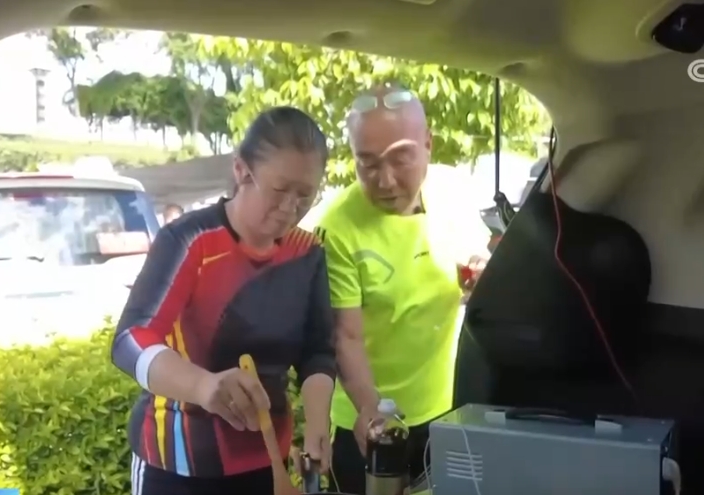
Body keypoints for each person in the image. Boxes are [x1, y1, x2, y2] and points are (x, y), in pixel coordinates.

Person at [111, 107, 336, 495]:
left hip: (266, 459)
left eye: (305, 195)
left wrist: (318, 422)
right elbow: (130, 340)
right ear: (241, 171)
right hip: (177, 460)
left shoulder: (307, 251)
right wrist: (204, 387)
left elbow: (318, 351)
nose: (290, 208)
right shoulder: (190, 240)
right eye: (279, 190)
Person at [316, 84, 492, 493]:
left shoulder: (451, 193)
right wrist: (370, 409)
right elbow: (345, 336)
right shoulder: (337, 228)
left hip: (444, 412)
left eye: (400, 158)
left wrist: (485, 277)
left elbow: (478, 265)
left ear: (428, 144)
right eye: (367, 163)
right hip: (369, 422)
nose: (386, 180)